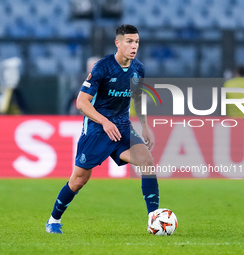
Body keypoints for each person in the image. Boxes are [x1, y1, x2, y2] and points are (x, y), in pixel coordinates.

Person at [45, 24, 159, 234]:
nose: (134, 46)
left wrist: (144, 125)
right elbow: (81, 102)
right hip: (97, 131)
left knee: (147, 162)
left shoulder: (138, 68)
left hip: (122, 128)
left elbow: (138, 96)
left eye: (137, 42)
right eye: (129, 42)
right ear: (118, 43)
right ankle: (53, 220)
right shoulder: (102, 67)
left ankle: (155, 219)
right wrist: (105, 122)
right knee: (78, 180)